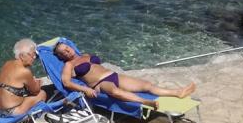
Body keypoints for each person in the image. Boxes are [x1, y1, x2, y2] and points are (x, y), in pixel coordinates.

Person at [52, 42, 195, 107]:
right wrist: (86, 89)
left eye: (67, 48)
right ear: (60, 56)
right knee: (114, 91)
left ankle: (177, 92)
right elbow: (66, 83)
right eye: (63, 52)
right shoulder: (68, 65)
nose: (67, 51)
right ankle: (145, 102)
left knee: (146, 85)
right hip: (99, 84)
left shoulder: (84, 55)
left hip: (113, 75)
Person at [0, 39, 48, 118]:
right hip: (8, 113)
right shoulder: (25, 71)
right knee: (42, 94)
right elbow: (35, 92)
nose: (34, 58)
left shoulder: (7, 63)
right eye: (33, 55)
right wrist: (38, 82)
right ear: (22, 56)